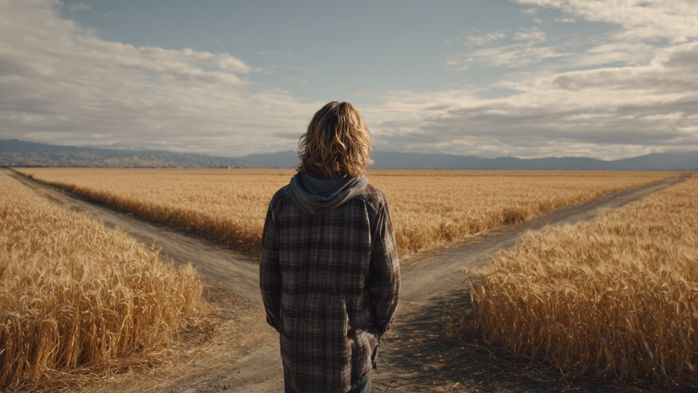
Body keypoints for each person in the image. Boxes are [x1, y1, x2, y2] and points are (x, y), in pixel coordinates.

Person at [259, 101, 400, 393]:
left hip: (297, 351)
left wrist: (288, 326)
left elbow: (269, 281)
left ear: (310, 141)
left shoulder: (283, 202)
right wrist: (371, 333)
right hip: (352, 353)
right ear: (358, 143)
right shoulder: (371, 203)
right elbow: (389, 284)